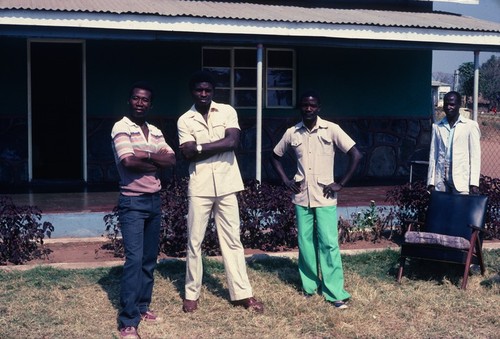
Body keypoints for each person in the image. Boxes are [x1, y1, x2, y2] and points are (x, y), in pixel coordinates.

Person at [177, 70, 264, 313]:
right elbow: (186, 152)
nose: (203, 94)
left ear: (213, 92)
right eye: (199, 90)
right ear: (192, 92)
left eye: (208, 90)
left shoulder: (227, 111)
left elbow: (232, 142)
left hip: (227, 184)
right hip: (200, 185)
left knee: (232, 241)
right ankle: (191, 294)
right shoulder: (185, 119)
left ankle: (242, 294)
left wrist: (201, 147)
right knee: (195, 241)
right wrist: (216, 145)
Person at [271, 90, 362, 309]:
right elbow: (275, 156)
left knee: (329, 244)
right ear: (300, 107)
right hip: (302, 197)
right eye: (305, 105)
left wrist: (340, 183)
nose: (308, 109)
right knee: (305, 243)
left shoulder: (331, 129)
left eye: (312, 105)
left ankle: (334, 292)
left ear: (318, 108)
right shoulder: (292, 133)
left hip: (325, 196)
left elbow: (356, 155)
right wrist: (285, 180)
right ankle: (310, 287)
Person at [111, 81, 176, 339]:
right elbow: (127, 161)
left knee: (149, 259)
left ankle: (141, 307)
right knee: (134, 260)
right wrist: (153, 159)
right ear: (130, 101)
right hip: (132, 202)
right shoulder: (121, 127)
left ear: (151, 103)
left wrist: (144, 156)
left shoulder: (156, 131)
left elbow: (170, 159)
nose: (140, 103)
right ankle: (128, 322)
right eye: (136, 98)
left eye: (145, 100)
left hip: (154, 201)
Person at [427, 91, 481, 195]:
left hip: (461, 179)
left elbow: (475, 157)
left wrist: (474, 183)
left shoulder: (470, 126)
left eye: (452, 104)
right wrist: (431, 182)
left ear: (459, 105)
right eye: (446, 104)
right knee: (442, 210)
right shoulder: (437, 126)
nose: (448, 107)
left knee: (460, 210)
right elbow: (433, 155)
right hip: (441, 178)